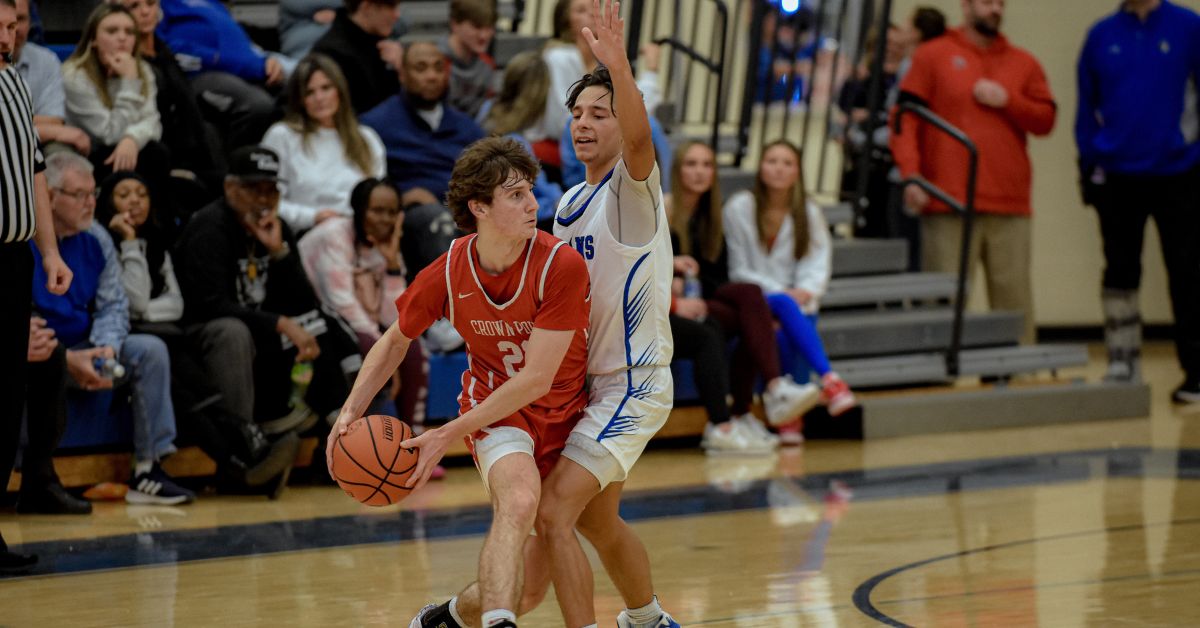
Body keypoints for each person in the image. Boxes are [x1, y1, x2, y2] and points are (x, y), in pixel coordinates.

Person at [416, 4, 682, 626]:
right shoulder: (564, 205)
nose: (584, 125)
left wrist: (617, 66)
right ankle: (648, 620)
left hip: (633, 382)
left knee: (556, 514)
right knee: (597, 521)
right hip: (586, 389)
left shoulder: (630, 195)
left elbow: (641, 141)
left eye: (601, 113)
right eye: (577, 115)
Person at [325, 137, 592, 628]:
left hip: (567, 415)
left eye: (531, 191)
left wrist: (445, 434)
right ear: (479, 207)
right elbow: (394, 340)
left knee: (531, 590)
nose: (534, 204)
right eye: (515, 195)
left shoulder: (561, 266)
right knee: (518, 501)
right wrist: (349, 413)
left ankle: (447, 618)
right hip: (497, 412)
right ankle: (498, 623)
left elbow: (536, 379)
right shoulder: (450, 270)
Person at [96, 169, 301, 495]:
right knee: (180, 380)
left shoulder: (159, 242)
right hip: (125, 339)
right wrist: (130, 245)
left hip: (163, 334)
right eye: (124, 194)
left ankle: (246, 458)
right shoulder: (103, 242)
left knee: (198, 385)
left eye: (142, 193)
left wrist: (142, 310)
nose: (135, 201)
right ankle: (242, 456)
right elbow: (133, 301)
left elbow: (174, 306)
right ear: (106, 202)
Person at [174, 145, 362, 468]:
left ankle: (331, 427)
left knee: (317, 321)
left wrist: (279, 253)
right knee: (234, 332)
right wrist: (279, 323)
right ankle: (245, 449)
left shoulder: (277, 228)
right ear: (230, 187)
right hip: (202, 332)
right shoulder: (208, 229)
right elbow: (209, 305)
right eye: (253, 189)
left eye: (270, 190)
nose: (263, 199)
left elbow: (304, 301)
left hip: (259, 331)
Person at [890, 0, 1056, 344]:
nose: (994, 9)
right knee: (943, 299)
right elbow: (905, 118)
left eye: (1000, 3)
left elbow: (1046, 120)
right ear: (966, 7)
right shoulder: (932, 55)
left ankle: (1015, 376)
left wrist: (1009, 100)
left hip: (1008, 202)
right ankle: (936, 377)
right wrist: (912, 175)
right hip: (947, 199)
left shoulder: (1023, 62)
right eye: (986, 2)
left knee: (1013, 298)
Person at [34, 151, 194, 505]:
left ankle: (148, 470)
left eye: (93, 194)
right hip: (41, 349)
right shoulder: (23, 240)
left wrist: (106, 348)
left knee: (150, 350)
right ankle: (37, 478)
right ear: (49, 196)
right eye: (80, 195)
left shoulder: (97, 237)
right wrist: (63, 358)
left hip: (87, 345)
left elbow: (114, 305)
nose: (91, 203)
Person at [1076, 0, 1200, 403]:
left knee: (1188, 272)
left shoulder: (1187, 27)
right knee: (1120, 271)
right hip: (1117, 175)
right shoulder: (1101, 35)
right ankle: (1122, 361)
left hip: (1179, 171)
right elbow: (1085, 106)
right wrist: (1088, 163)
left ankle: (1196, 372)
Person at [668, 141, 821, 453]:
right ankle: (755, 402)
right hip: (668, 302)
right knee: (746, 315)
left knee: (751, 299)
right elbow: (636, 262)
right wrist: (669, 275)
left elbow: (718, 274)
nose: (699, 172)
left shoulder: (713, 215)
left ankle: (759, 401)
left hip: (706, 294)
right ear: (677, 169)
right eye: (691, 164)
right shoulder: (663, 208)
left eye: (707, 165)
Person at [0, 0, 75, 573]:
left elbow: (34, 170)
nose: (11, 34)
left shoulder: (16, 84)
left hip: (14, 257)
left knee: (8, 402)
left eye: (15, 23)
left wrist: (48, 250)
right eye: (2, 24)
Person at [723, 140, 858, 443]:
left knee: (788, 328)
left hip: (796, 302)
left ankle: (790, 413)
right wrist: (784, 292)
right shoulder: (739, 207)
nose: (779, 168)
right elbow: (739, 269)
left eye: (787, 163)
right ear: (761, 167)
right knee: (785, 305)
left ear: (797, 172)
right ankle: (830, 382)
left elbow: (818, 262)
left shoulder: (809, 211)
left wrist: (806, 291)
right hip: (753, 296)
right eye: (772, 160)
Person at [299, 177, 428, 427]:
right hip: (319, 315)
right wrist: (385, 352)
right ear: (359, 211)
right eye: (377, 211)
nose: (385, 220)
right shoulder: (334, 235)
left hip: (357, 319)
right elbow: (341, 303)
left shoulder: (387, 242)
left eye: (392, 212)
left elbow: (394, 317)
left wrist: (391, 265)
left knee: (412, 344)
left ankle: (414, 441)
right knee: (371, 346)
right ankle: (359, 443)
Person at [262, 54, 386, 232]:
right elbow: (266, 202)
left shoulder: (367, 138)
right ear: (300, 99)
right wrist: (312, 217)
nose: (319, 98)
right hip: (307, 232)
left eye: (326, 88)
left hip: (362, 234)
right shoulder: (282, 136)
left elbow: (380, 199)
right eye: (310, 92)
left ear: (340, 90)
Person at [62, 3, 172, 202]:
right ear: (93, 39)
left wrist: (132, 139)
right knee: (140, 156)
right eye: (112, 31)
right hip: (91, 155)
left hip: (129, 149)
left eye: (129, 32)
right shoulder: (74, 76)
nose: (122, 37)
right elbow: (109, 134)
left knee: (157, 152)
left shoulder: (144, 70)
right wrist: (129, 82)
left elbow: (153, 122)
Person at [360, 40, 486, 206]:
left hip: (465, 210)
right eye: (421, 68)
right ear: (402, 75)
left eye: (438, 68)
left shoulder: (468, 128)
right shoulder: (375, 125)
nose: (432, 76)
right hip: (410, 215)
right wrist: (401, 199)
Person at [119, 0, 223, 196]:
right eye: (134, 6)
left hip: (195, 146)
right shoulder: (123, 63)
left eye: (150, 4)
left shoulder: (164, 49)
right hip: (164, 151)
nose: (145, 12)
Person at [158, 0, 287, 151]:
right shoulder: (162, 5)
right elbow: (171, 50)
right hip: (202, 73)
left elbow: (244, 44)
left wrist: (265, 60)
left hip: (248, 67)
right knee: (259, 105)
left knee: (298, 92)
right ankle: (233, 168)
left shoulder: (214, 4)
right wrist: (246, 65)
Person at [481, 51, 564, 223]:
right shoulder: (514, 143)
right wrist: (560, 203)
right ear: (537, 96)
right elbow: (534, 201)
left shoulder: (487, 109)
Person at [11, 0, 91, 156]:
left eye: (21, 19)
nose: (16, 29)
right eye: (6, 22)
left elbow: (54, 120)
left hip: (40, 143)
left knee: (72, 171)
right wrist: (50, 130)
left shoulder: (46, 60)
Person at [310, 0, 403, 116]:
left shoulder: (384, 45)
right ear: (367, 7)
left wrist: (401, 68)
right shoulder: (330, 53)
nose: (397, 15)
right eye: (391, 7)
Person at [439, 0, 497, 120]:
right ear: (454, 24)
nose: (484, 36)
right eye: (477, 27)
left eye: (489, 27)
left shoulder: (487, 64)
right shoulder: (436, 62)